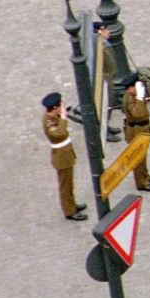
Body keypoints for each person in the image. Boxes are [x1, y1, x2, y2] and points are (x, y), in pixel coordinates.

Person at [43, 92, 88, 221]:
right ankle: (69, 211)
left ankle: (72, 205)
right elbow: (60, 133)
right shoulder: (49, 123)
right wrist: (63, 117)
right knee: (65, 186)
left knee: (69, 184)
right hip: (61, 158)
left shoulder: (53, 118)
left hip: (66, 155)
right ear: (54, 108)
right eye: (60, 106)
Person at [121, 72, 150, 191]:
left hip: (142, 128)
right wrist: (139, 97)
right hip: (136, 131)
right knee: (138, 158)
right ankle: (141, 183)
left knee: (143, 156)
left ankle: (145, 176)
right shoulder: (130, 99)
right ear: (130, 88)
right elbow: (139, 113)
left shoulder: (134, 96)